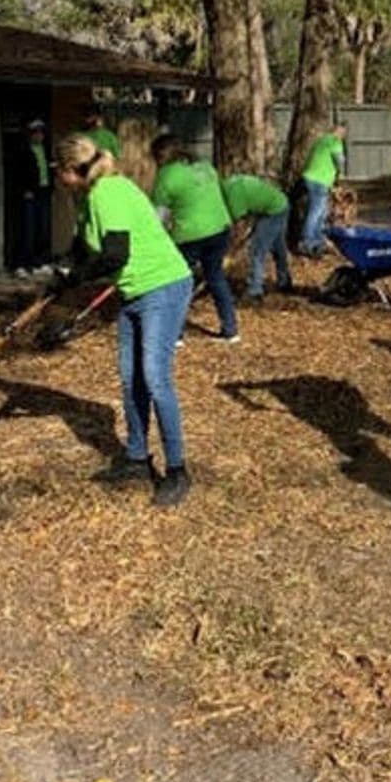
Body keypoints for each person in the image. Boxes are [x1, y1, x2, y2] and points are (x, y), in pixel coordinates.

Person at [53, 134, 194, 507]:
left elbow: (114, 255)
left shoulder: (109, 193)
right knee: (131, 377)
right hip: (134, 292)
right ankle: (136, 458)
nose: (58, 179)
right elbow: (84, 247)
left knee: (154, 377)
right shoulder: (88, 197)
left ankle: (178, 470)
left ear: (72, 170)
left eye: (59, 172)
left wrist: (76, 278)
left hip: (163, 286)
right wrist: (62, 274)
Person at [150, 134, 239, 343]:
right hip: (220, 228)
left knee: (179, 282)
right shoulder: (206, 166)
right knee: (216, 278)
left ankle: (176, 333)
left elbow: (159, 216)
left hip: (190, 235)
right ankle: (231, 329)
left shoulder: (166, 175)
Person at [221, 172, 293, 300]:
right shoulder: (228, 186)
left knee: (257, 250)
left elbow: (239, 229)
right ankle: (284, 281)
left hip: (273, 211)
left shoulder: (233, 197)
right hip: (281, 203)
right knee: (278, 247)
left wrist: (229, 253)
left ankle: (255, 290)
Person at [11, 118, 53, 276]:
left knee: (42, 229)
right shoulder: (23, 150)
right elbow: (17, 172)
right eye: (35, 132)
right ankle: (21, 264)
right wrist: (24, 190)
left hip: (43, 191)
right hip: (29, 193)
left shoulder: (45, 149)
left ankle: (39, 263)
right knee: (27, 229)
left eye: (41, 132)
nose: (39, 136)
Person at [298, 124, 347, 256]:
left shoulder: (321, 140)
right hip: (320, 180)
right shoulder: (335, 141)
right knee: (316, 211)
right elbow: (340, 161)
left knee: (322, 212)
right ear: (340, 133)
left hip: (309, 177)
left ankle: (319, 241)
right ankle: (307, 242)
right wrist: (341, 175)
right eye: (343, 134)